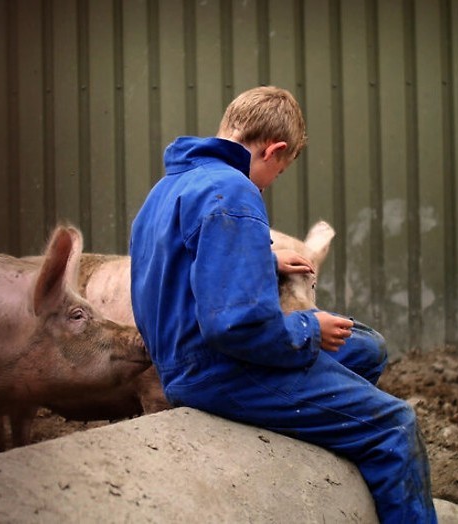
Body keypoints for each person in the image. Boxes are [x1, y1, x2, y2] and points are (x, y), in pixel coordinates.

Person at [129, 86, 437, 523]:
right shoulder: (234, 192)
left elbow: (186, 260)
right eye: (280, 170)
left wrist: (261, 256)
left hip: (178, 360)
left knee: (366, 346)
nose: (272, 182)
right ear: (273, 151)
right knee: (396, 425)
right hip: (220, 369)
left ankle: (319, 434)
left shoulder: (166, 189)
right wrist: (310, 330)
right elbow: (237, 326)